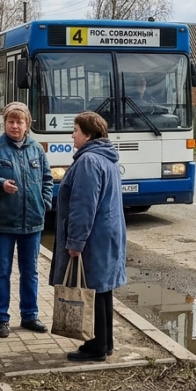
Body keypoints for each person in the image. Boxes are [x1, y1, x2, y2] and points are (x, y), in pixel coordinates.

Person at [50, 111, 126, 362]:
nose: (72, 135)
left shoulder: (88, 161)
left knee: (91, 289)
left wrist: (75, 242)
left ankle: (95, 348)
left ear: (88, 134)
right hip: (107, 234)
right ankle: (105, 343)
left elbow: (83, 206)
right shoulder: (108, 159)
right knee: (102, 290)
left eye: (76, 130)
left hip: (93, 237)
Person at [0, 102, 53, 338]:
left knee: (30, 272)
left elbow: (47, 179)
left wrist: (45, 204)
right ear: (4, 123)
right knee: (1, 271)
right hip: (3, 223)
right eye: (11, 121)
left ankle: (29, 315)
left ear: (27, 124)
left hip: (32, 222)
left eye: (19, 122)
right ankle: (1, 319)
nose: (15, 126)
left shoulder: (37, 149)